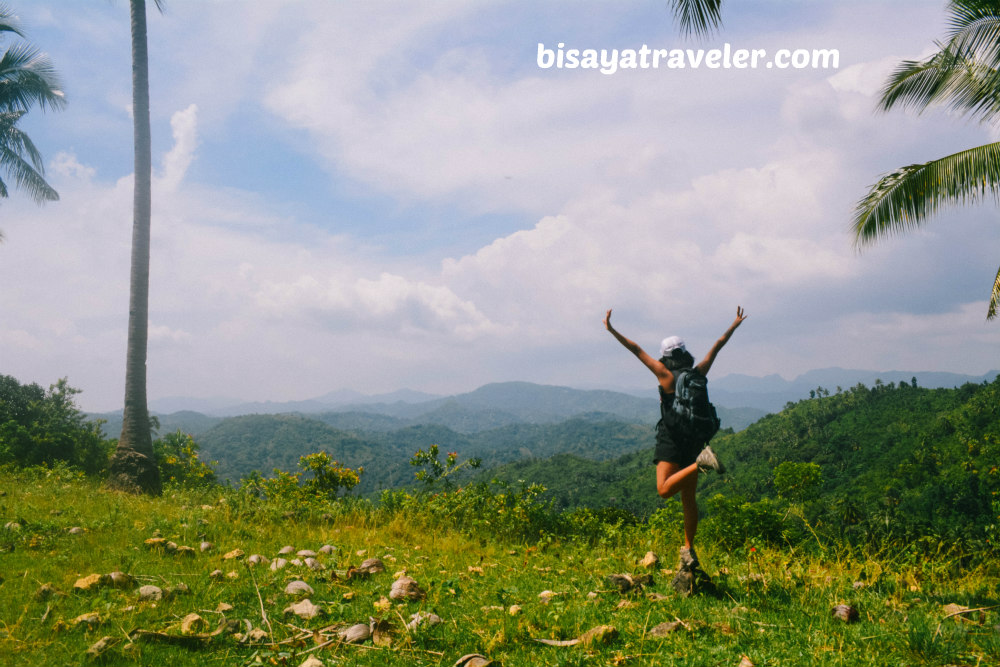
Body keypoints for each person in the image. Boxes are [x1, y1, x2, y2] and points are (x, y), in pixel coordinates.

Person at [604, 306, 746, 574]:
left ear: (666, 356)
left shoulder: (664, 374)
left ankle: (702, 463)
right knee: (688, 500)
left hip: (671, 441)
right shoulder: (698, 373)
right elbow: (716, 347)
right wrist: (734, 324)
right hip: (694, 441)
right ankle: (688, 549)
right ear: (685, 352)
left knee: (664, 490)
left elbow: (636, 350)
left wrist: (612, 330)